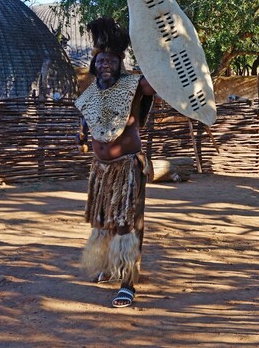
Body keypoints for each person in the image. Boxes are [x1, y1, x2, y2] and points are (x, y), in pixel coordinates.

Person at [74, 17, 156, 308]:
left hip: (127, 168)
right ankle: (108, 267)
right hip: (101, 170)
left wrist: (156, 50)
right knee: (103, 221)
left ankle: (128, 282)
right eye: (100, 59)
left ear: (120, 63)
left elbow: (158, 82)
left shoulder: (135, 85)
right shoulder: (90, 91)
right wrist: (82, 133)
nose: (105, 63)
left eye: (111, 59)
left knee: (127, 224)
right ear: (94, 63)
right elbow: (87, 115)